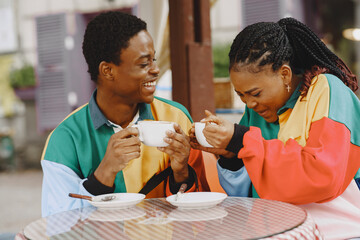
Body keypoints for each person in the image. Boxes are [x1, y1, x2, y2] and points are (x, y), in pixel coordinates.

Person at [190, 17, 360, 239]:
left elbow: (324, 176)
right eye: (241, 95)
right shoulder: (256, 110)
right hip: (276, 231)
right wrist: (230, 155)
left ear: (285, 74)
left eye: (255, 93)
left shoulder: (327, 90)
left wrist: (241, 140)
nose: (249, 103)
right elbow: (245, 195)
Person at [41, 11, 209, 217]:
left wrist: (181, 170)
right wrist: (105, 172)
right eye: (144, 63)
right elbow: (58, 222)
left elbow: (202, 208)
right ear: (108, 71)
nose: (156, 70)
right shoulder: (65, 139)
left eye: (154, 60)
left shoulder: (176, 117)